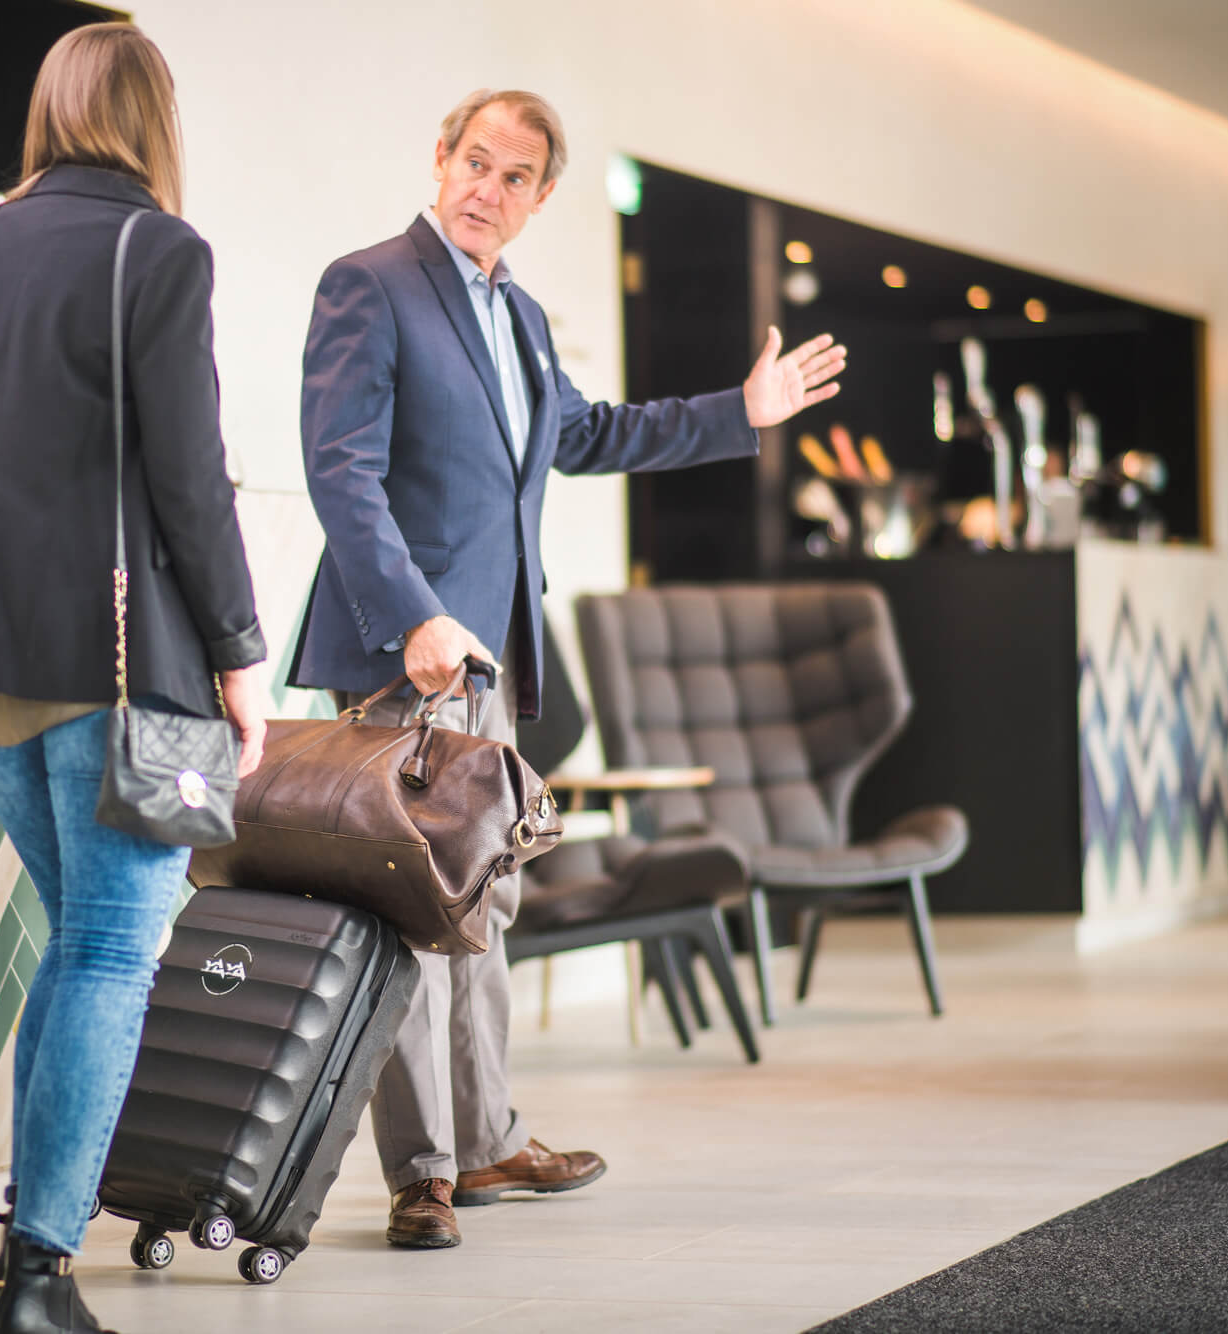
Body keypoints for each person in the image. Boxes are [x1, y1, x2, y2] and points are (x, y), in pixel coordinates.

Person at [290, 88, 845, 1250]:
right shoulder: (371, 282)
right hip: (410, 657)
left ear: (540, 199)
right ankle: (422, 1172)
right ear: (438, 160)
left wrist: (736, 412)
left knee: (484, 903)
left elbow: (584, 435)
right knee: (408, 911)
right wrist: (413, 617)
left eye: (514, 177)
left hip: (493, 658)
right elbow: (340, 471)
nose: (487, 190)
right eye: (474, 163)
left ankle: (487, 1139)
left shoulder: (523, 316)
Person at [0, 23, 268, 1334]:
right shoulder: (159, 250)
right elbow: (190, 476)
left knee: (81, 946)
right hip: (123, 667)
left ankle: (31, 1247)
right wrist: (240, 654)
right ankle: (40, 1278)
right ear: (153, 119)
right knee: (118, 949)